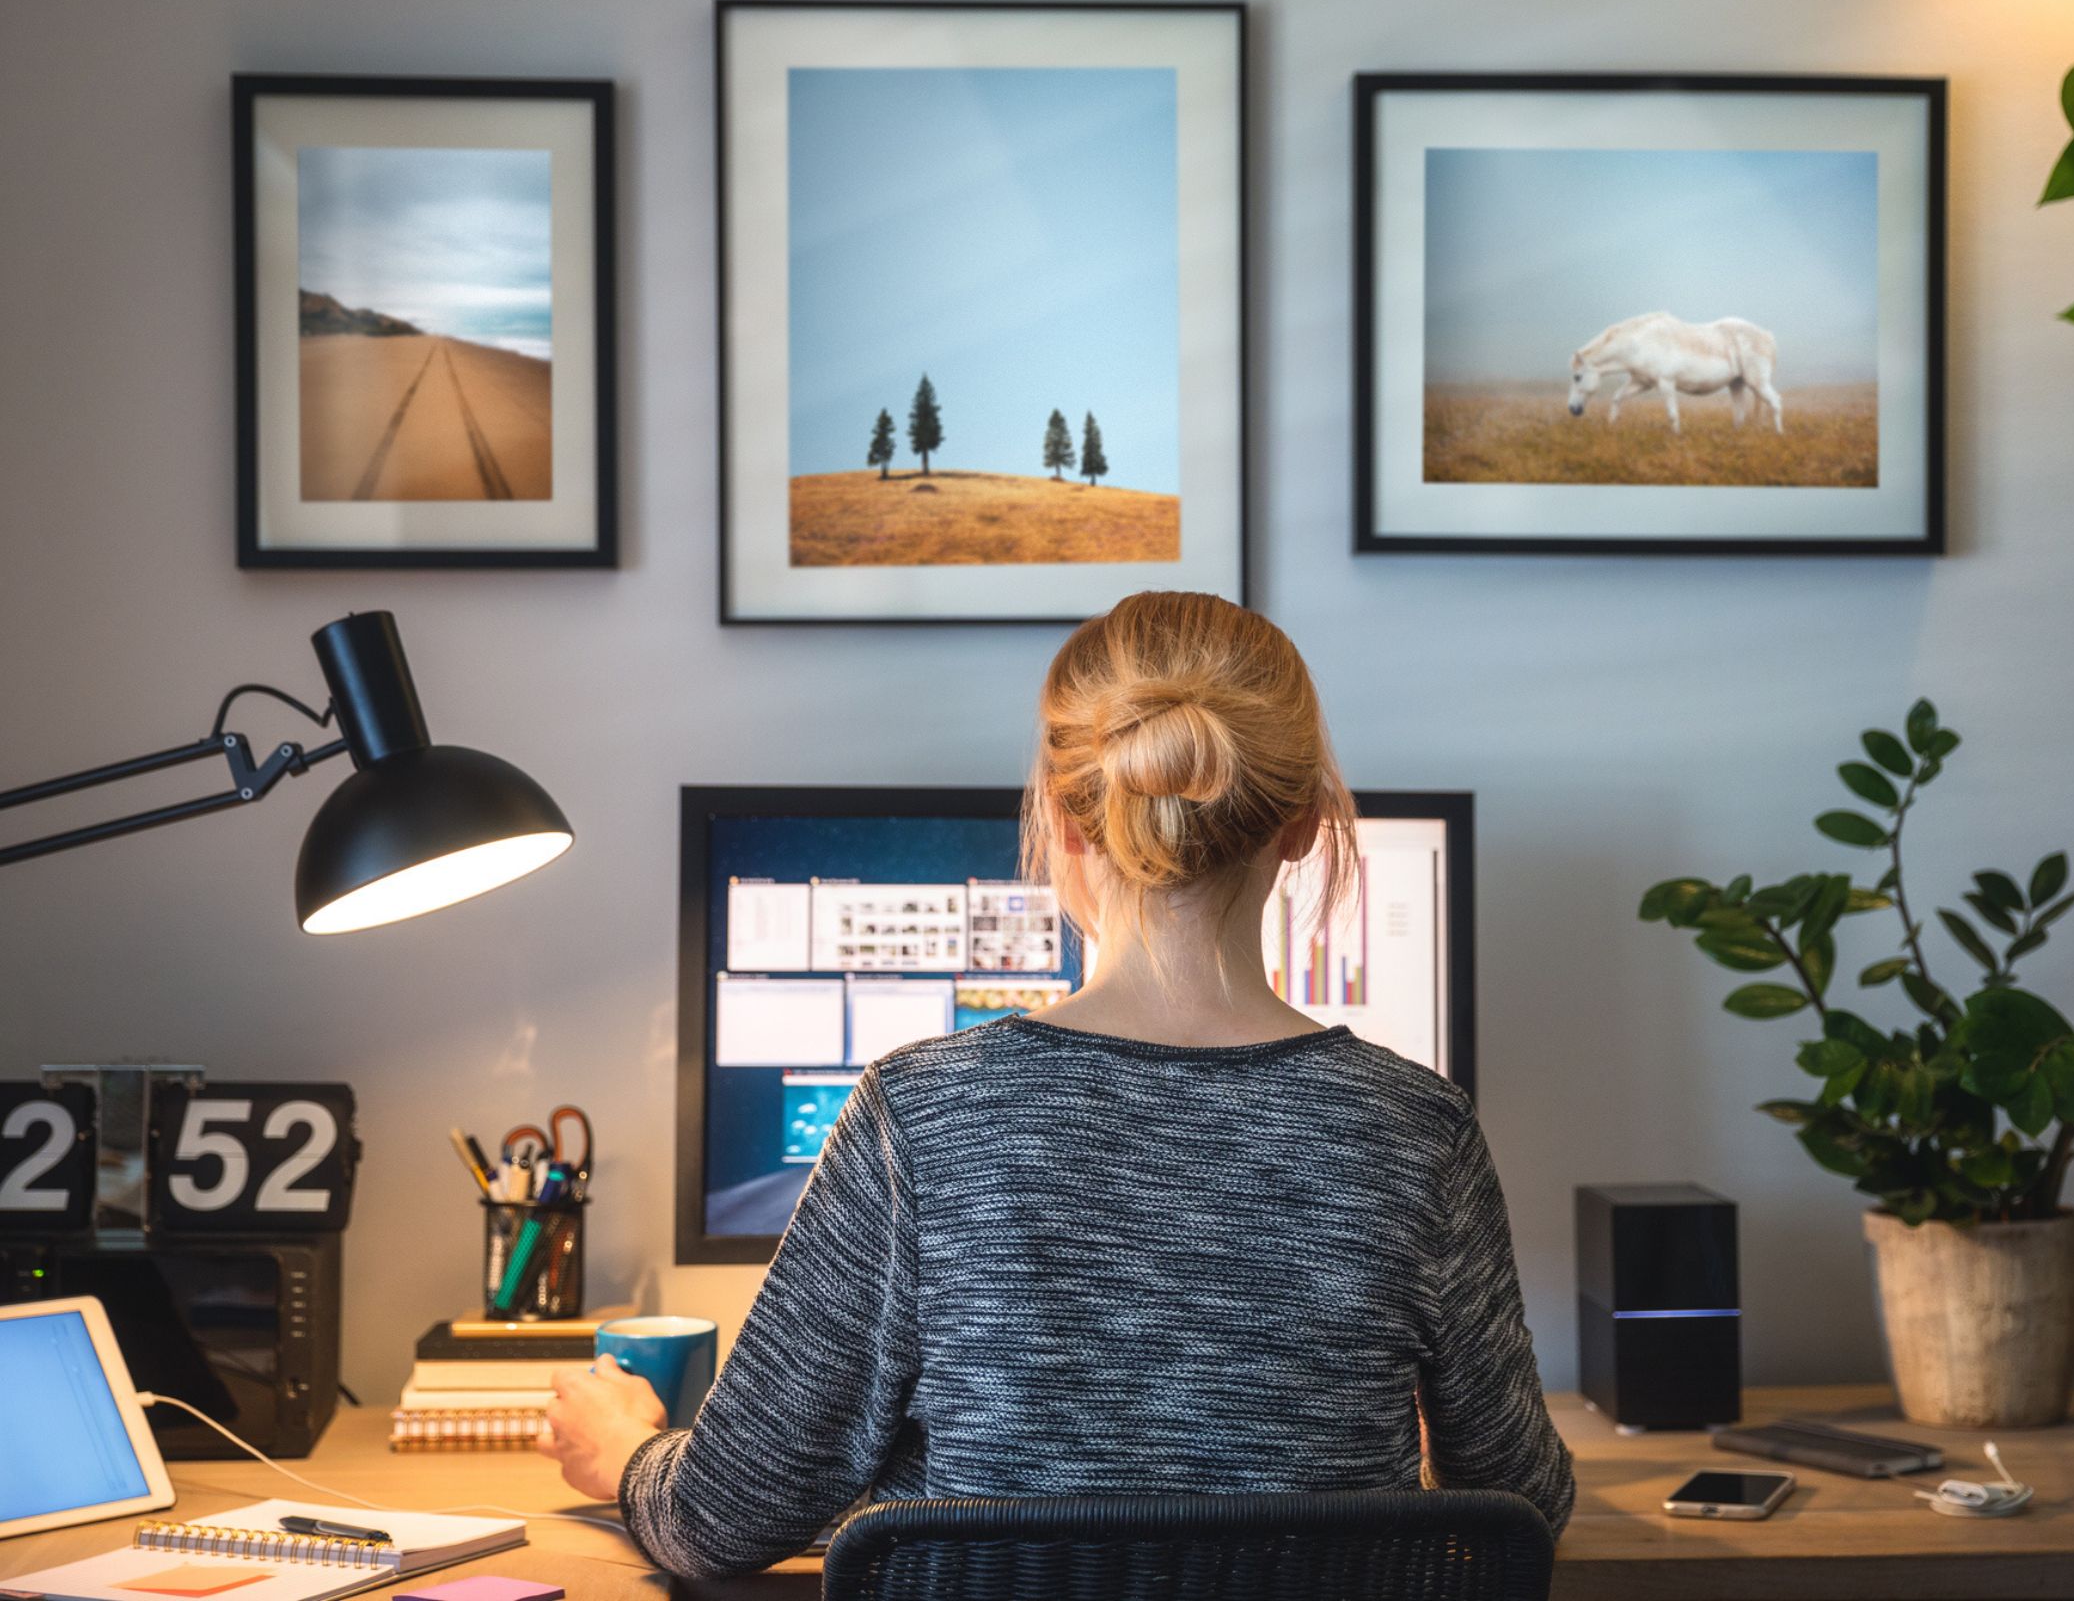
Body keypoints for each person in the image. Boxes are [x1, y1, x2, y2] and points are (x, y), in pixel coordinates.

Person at [540, 591, 1575, 1575]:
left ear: (1068, 822)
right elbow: (1521, 1500)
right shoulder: (1417, 1129)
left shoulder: (919, 1114)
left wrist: (629, 1450)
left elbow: (722, 1517)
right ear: (1303, 823)